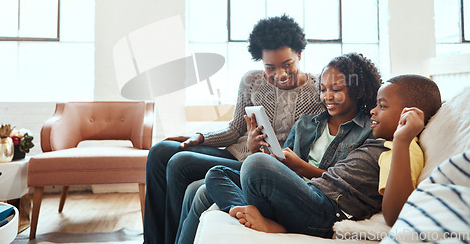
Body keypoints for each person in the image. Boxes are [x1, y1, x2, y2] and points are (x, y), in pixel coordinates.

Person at [144, 15, 324, 244]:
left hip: (260, 165)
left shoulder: (320, 90)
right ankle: (152, 240)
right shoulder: (251, 80)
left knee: (180, 163)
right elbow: (234, 128)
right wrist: (199, 137)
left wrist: (260, 151)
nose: (279, 74)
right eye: (270, 67)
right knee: (160, 151)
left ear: (299, 54)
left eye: (287, 65)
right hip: (235, 151)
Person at [175, 52, 382, 243]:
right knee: (215, 175)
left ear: (359, 90)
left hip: (321, 202)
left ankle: (269, 221)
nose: (327, 96)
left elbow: (343, 184)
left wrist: (299, 167)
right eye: (322, 90)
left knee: (221, 182)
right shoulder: (306, 124)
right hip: (288, 192)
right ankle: (248, 211)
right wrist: (257, 150)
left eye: (336, 90)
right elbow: (280, 166)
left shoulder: (369, 132)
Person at [205, 74, 442, 238]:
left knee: (256, 164)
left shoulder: (405, 148)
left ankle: (267, 220)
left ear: (408, 115)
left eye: (382, 106)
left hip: (327, 212)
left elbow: (395, 215)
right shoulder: (381, 143)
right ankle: (252, 213)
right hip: (313, 194)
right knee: (217, 173)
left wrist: (402, 140)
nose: (373, 110)